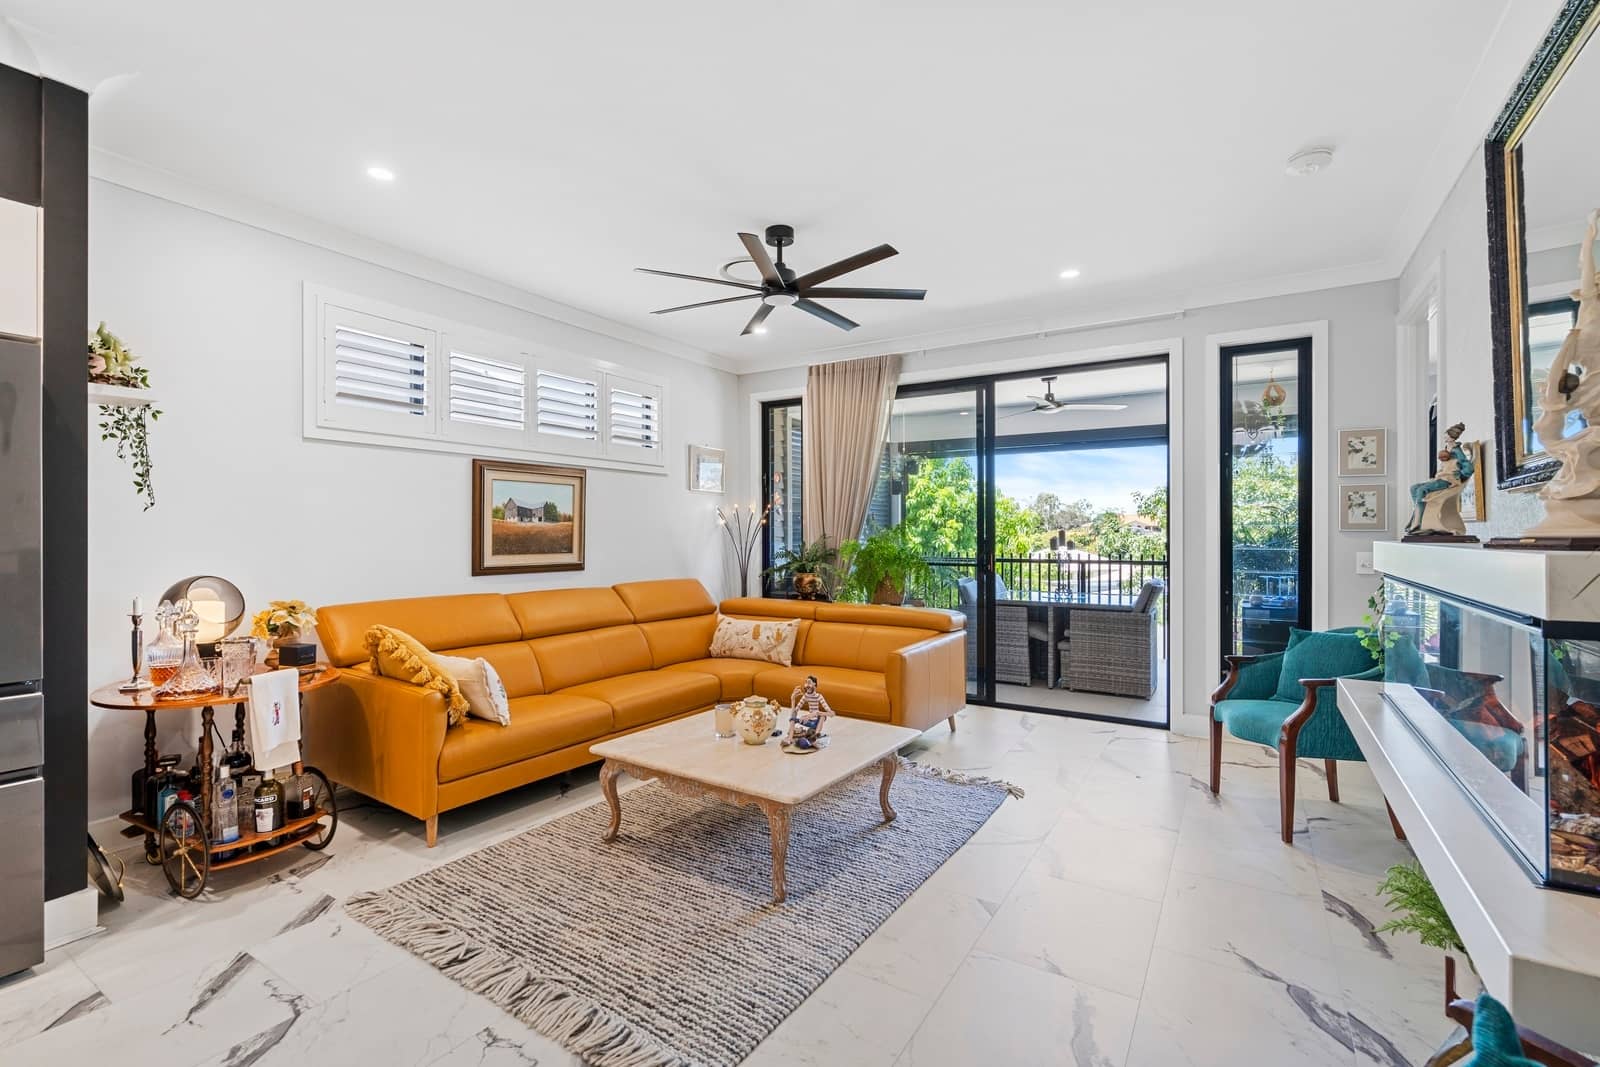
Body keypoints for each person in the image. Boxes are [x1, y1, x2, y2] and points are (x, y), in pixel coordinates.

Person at [784, 675, 834, 750]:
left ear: (814, 684)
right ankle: (789, 739)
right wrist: (793, 700)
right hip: (809, 721)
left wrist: (815, 713)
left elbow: (832, 714)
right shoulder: (805, 696)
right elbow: (795, 712)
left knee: (823, 716)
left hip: (816, 722)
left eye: (809, 682)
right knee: (792, 718)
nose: (807, 685)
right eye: (806, 683)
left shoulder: (819, 696)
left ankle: (815, 737)